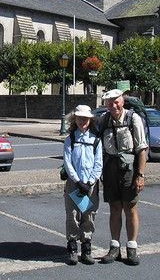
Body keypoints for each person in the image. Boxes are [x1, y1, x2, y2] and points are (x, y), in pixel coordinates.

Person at [98, 89, 148, 266]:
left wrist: (140, 175)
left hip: (129, 169)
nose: (113, 105)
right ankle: (114, 248)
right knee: (114, 208)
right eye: (109, 102)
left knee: (131, 208)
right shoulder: (104, 119)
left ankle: (132, 248)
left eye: (116, 101)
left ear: (122, 101)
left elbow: (142, 149)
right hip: (110, 168)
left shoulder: (133, 119)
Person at [63, 104, 103, 265]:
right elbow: (67, 162)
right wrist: (78, 181)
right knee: (72, 215)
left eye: (85, 119)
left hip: (90, 185)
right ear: (75, 119)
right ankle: (72, 248)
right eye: (79, 118)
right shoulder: (70, 139)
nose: (82, 121)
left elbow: (98, 163)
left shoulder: (96, 140)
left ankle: (86, 249)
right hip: (74, 184)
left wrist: (90, 181)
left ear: (90, 120)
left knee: (89, 215)